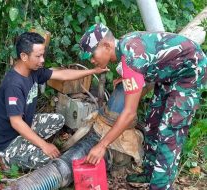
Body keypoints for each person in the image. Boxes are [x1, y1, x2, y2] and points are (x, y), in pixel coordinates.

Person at [79, 23, 207, 189]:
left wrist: (102, 145)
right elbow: (151, 61)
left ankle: (160, 186)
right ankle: (149, 172)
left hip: (189, 74)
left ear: (106, 45)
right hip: (169, 74)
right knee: (152, 123)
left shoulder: (131, 58)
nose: (92, 60)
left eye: (92, 55)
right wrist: (128, 78)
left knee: (169, 132)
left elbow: (129, 114)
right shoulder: (125, 47)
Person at [0, 32, 108, 170]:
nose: (42, 60)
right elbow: (16, 122)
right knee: (49, 160)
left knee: (58, 119)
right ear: (23, 56)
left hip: (23, 127)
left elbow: (63, 75)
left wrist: (93, 71)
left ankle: (30, 145)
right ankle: (5, 158)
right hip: (7, 142)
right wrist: (44, 145)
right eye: (38, 56)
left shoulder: (33, 71)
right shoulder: (13, 84)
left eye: (42, 55)